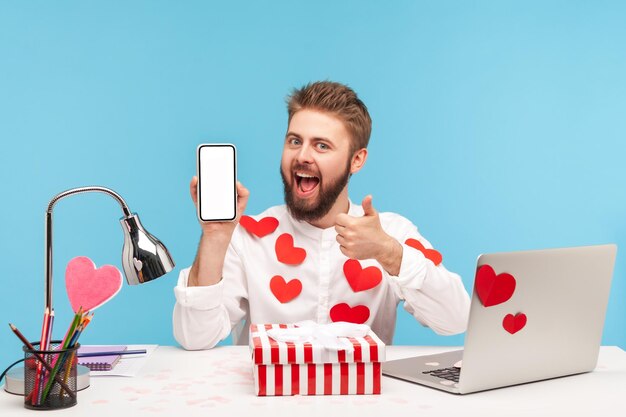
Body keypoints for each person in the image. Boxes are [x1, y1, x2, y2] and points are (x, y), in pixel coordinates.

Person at [173, 81, 470, 350]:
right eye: (294, 141)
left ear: (356, 160)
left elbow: (456, 319)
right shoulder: (248, 237)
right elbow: (195, 338)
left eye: (321, 146)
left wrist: (390, 254)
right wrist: (215, 235)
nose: (302, 155)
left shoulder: (391, 233)